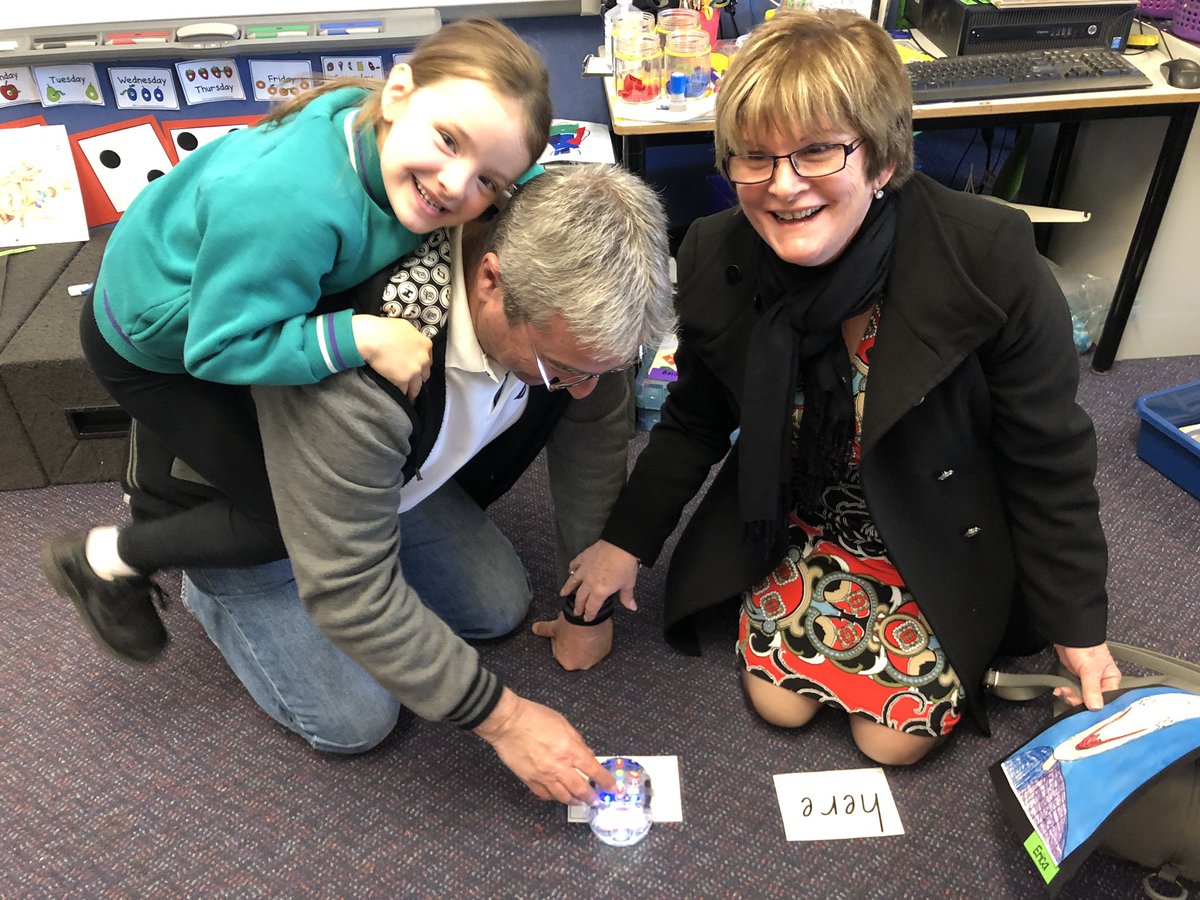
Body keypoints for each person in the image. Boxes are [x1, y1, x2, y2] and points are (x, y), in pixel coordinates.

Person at [564, 10, 1122, 766]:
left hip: (935, 523)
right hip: (804, 519)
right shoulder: (713, 253)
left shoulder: (986, 255)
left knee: (890, 741)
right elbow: (695, 420)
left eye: (818, 152)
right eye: (753, 158)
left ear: (883, 160)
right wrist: (623, 543)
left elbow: (1047, 454)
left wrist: (1078, 626)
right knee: (777, 705)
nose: (783, 186)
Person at [123, 164, 675, 804]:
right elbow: (348, 586)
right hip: (246, 502)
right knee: (356, 720)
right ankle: (210, 578)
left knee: (496, 607)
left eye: (603, 369)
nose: (584, 387)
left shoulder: (566, 314)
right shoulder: (369, 362)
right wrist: (507, 721)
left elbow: (594, 429)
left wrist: (590, 603)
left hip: (390, 466)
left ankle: (379, 495)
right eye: (568, 369)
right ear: (492, 280)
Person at [41, 18, 552, 666]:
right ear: (398, 94)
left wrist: (536, 194)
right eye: (449, 142)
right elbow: (217, 350)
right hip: (161, 345)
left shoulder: (406, 151)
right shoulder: (293, 203)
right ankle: (107, 557)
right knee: (280, 519)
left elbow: (510, 179)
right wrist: (356, 334)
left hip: (248, 287)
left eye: (490, 180)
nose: (457, 186)